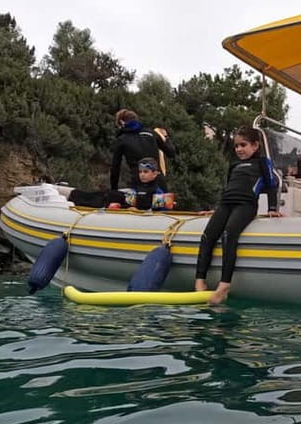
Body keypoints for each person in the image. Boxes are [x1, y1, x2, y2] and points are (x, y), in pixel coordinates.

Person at [195, 127, 282, 305]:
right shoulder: (234, 165)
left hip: (246, 205)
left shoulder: (263, 163)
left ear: (256, 145)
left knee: (229, 234)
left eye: (243, 145)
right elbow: (229, 187)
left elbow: (272, 185)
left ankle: (224, 285)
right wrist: (215, 208)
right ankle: (199, 280)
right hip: (226, 204)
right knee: (207, 236)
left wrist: (273, 207)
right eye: (236, 146)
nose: (239, 149)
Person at [60, 157, 171, 210]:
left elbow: (157, 214)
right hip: (118, 204)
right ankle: (69, 195)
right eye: (140, 172)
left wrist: (133, 211)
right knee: (105, 194)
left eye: (146, 172)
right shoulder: (138, 187)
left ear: (155, 173)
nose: (142, 175)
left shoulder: (157, 192)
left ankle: (70, 199)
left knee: (106, 197)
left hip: (132, 214)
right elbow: (130, 201)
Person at [110, 109, 177, 190]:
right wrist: (166, 137)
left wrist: (114, 189)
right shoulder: (151, 133)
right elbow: (171, 152)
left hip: (139, 183)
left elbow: (115, 168)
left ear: (122, 122)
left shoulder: (122, 139)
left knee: (142, 202)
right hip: (159, 182)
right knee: (163, 202)